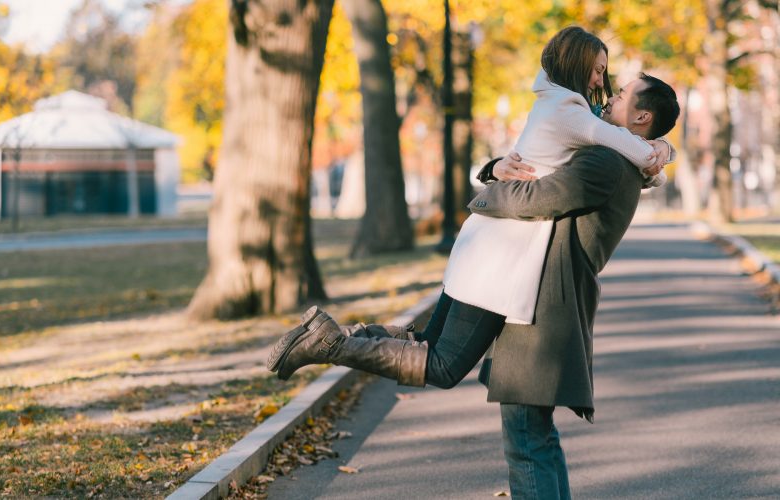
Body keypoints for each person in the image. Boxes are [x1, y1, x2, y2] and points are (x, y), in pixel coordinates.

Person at [267, 32, 680, 497]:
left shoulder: (607, 161)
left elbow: (539, 196)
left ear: (641, 117)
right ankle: (337, 341)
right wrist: (496, 167)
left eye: (621, 92)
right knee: (522, 428)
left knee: (521, 432)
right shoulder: (604, 146)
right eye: (604, 75)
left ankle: (334, 342)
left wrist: (485, 192)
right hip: (517, 282)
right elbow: (566, 159)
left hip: (540, 302)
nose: (610, 89)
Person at [442, 26, 674, 327]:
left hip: (495, 239)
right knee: (442, 363)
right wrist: (659, 148)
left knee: (433, 353)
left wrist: (664, 147)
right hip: (500, 241)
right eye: (598, 71)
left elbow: (651, 173)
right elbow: (643, 160)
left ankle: (361, 343)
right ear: (578, 65)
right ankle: (358, 345)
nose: (602, 83)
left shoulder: (561, 105)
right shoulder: (571, 115)